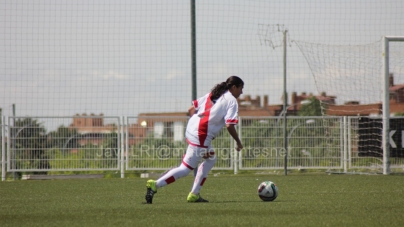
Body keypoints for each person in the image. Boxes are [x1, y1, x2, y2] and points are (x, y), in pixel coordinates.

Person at [144, 75, 244, 204]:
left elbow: (191, 109)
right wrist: (238, 142)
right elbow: (229, 125)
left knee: (211, 158)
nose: (241, 92)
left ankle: (195, 194)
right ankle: (155, 185)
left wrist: (198, 125)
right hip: (200, 136)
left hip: (191, 128)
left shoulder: (214, 93)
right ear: (234, 87)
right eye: (241, 88)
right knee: (185, 169)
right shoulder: (231, 101)